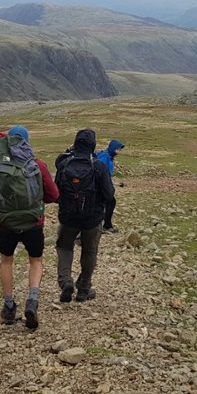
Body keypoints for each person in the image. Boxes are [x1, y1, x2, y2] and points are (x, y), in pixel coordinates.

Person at [0, 126, 58, 330]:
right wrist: (36, 202)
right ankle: (32, 302)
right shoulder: (38, 164)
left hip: (7, 224)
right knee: (35, 261)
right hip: (34, 223)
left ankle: (9, 307)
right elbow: (54, 195)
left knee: (6, 261)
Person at [54, 128, 115, 302]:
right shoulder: (99, 166)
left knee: (64, 247)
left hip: (68, 217)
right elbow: (109, 195)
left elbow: (56, 190)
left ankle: (66, 281)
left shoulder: (65, 164)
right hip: (92, 218)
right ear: (93, 145)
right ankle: (83, 290)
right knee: (90, 251)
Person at [95, 139, 125, 232]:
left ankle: (103, 225)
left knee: (107, 202)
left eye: (119, 150)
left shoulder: (108, 156)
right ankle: (105, 225)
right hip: (100, 185)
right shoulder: (104, 158)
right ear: (112, 148)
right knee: (109, 202)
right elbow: (100, 173)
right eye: (117, 149)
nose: (118, 152)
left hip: (102, 184)